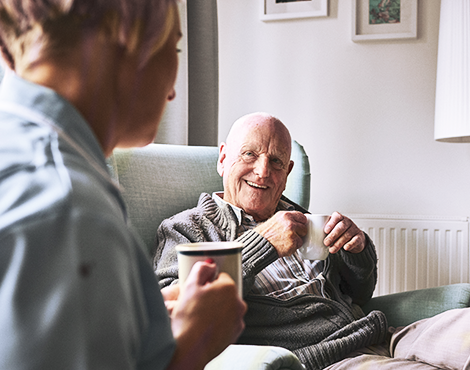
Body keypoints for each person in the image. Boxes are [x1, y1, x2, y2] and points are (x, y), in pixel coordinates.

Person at [0, 1, 246, 370]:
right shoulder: (71, 215)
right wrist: (194, 341)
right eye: (174, 48)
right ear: (123, 37)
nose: (173, 92)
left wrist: (131, 318)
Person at [154, 112, 470, 370]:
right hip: (321, 359)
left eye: (276, 161)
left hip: (383, 335)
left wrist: (355, 251)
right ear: (223, 158)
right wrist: (264, 242)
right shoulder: (187, 229)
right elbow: (172, 312)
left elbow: (359, 295)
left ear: (288, 171)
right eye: (249, 154)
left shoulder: (301, 219)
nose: (263, 172)